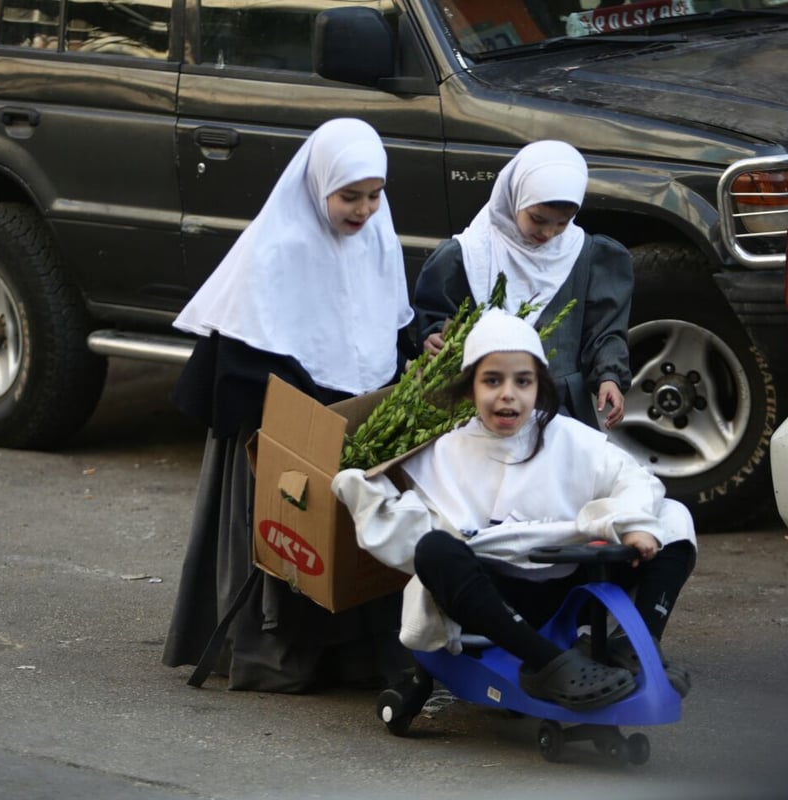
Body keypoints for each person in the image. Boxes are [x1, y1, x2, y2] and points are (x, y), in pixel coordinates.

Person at [162, 118, 418, 693]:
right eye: (349, 196)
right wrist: (305, 406)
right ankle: (278, 658)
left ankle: (356, 658)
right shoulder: (278, 247)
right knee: (292, 535)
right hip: (284, 419)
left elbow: (387, 325)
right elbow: (246, 350)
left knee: (360, 539)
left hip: (356, 418)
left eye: (374, 195)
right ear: (316, 185)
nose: (364, 210)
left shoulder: (378, 238)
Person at [332, 310, 696, 711]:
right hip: (491, 601)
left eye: (522, 381)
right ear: (470, 389)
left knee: (674, 516)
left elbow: (636, 479)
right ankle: (545, 664)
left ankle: (633, 642)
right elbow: (404, 527)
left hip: (567, 593)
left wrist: (633, 525)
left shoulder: (569, 437)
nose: (508, 394)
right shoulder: (443, 451)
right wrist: (361, 487)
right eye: (492, 380)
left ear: (539, 387)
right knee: (434, 550)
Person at [413, 140, 632, 430]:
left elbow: (603, 331)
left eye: (561, 223)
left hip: (559, 406)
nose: (548, 232)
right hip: (482, 406)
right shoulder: (469, 255)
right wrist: (434, 337)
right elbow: (436, 317)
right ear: (514, 195)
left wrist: (609, 376)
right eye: (538, 219)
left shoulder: (585, 255)